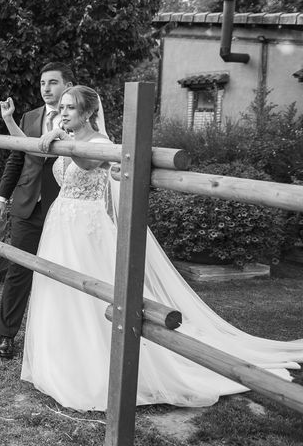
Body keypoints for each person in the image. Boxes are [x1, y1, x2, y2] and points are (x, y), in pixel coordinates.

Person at [20, 85, 303, 411]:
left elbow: (83, 163)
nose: (63, 112)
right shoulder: (66, 136)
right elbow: (45, 155)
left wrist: (57, 137)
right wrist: (53, 135)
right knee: (59, 290)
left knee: (89, 294)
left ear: (87, 113)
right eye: (63, 107)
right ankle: (60, 361)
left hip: (86, 229)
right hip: (62, 223)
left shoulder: (99, 144)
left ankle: (92, 372)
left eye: (71, 108)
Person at [0, 62, 75, 359]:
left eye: (53, 82)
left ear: (67, 86)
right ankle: (6, 336)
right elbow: (17, 158)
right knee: (18, 271)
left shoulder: (76, 119)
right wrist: (3, 197)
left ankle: (57, 342)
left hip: (62, 207)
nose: (46, 88)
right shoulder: (28, 117)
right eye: (43, 83)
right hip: (26, 206)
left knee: (60, 274)